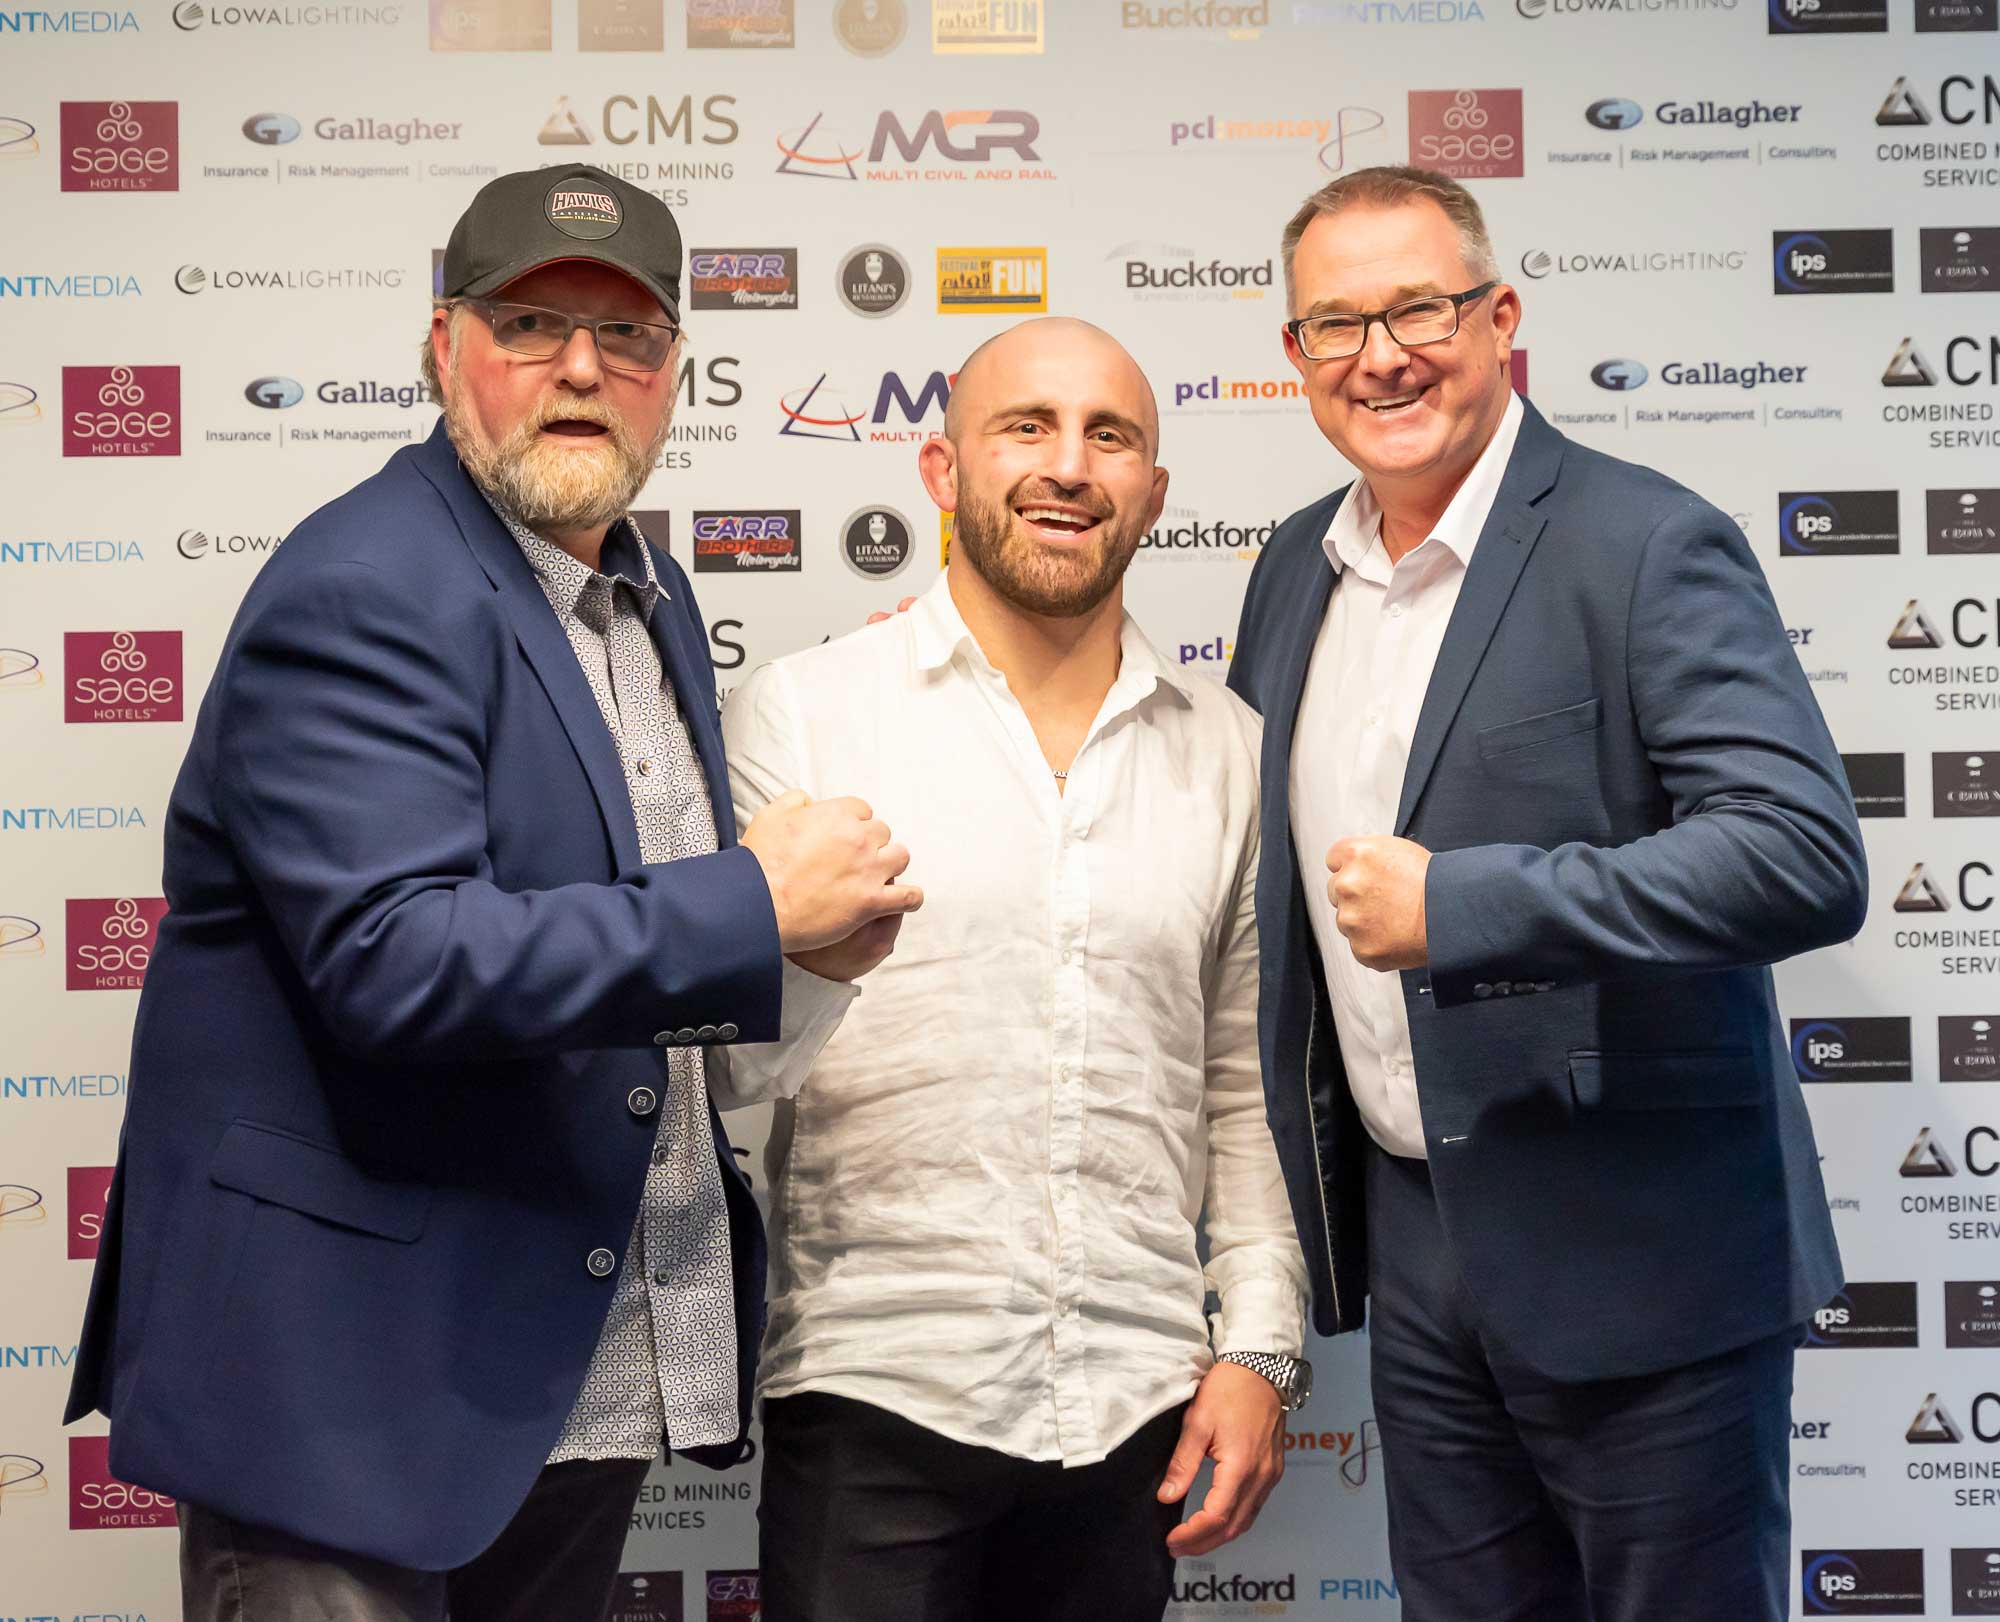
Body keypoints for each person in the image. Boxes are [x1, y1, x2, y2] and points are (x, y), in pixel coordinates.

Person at [64, 163, 918, 1622]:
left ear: (673, 371)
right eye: (531, 323)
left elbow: (619, 955)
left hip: (561, 1378)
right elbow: (396, 960)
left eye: (627, 333)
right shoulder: (367, 582)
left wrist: (801, 957)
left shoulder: (647, 592)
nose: (582, 367)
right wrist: (749, 905)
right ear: (441, 344)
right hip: (356, 1396)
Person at [1225, 166, 1866, 1622]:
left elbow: (1800, 852)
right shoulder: (1291, 571)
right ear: (1296, 355)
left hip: (1647, 1258)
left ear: (1501, 318)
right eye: (1337, 325)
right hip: (1419, 1254)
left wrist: (1468, 906)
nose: (1381, 356)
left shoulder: (1643, 542)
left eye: (1419, 310)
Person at [715, 317, 1311, 1622]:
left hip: (1136, 1400)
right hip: (873, 1385)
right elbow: (730, 1071)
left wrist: (1261, 1345)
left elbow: (1247, 1086)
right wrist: (812, 956)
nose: (1069, 465)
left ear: (1154, 490)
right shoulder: (806, 713)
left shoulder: (1230, 749)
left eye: (1110, 436)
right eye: (1026, 427)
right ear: (942, 468)